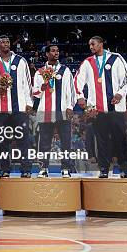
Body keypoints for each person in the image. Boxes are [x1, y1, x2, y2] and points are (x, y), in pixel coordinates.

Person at [75, 36, 127, 178]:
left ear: (101, 44)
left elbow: (126, 77)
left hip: (116, 108)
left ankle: (124, 169)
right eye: (89, 45)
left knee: (120, 138)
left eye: (93, 44)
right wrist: (80, 96)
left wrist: (120, 93)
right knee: (101, 140)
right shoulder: (88, 62)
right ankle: (104, 169)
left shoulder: (116, 58)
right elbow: (77, 81)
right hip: (96, 109)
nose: (91, 47)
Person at [0, 35, 34, 178]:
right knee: (3, 142)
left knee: (24, 140)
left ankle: (26, 169)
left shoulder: (21, 61)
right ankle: (4, 169)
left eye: (8, 41)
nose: (6, 44)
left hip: (19, 108)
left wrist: (29, 103)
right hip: (1, 109)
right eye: (2, 42)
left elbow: (27, 83)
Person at [32, 44, 75, 178]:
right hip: (45, 111)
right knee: (44, 141)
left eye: (57, 51)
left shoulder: (65, 70)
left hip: (62, 111)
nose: (56, 53)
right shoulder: (39, 72)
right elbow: (35, 93)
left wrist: (70, 107)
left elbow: (71, 90)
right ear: (47, 54)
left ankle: (66, 168)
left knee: (66, 141)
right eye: (53, 51)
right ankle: (43, 167)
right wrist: (42, 88)